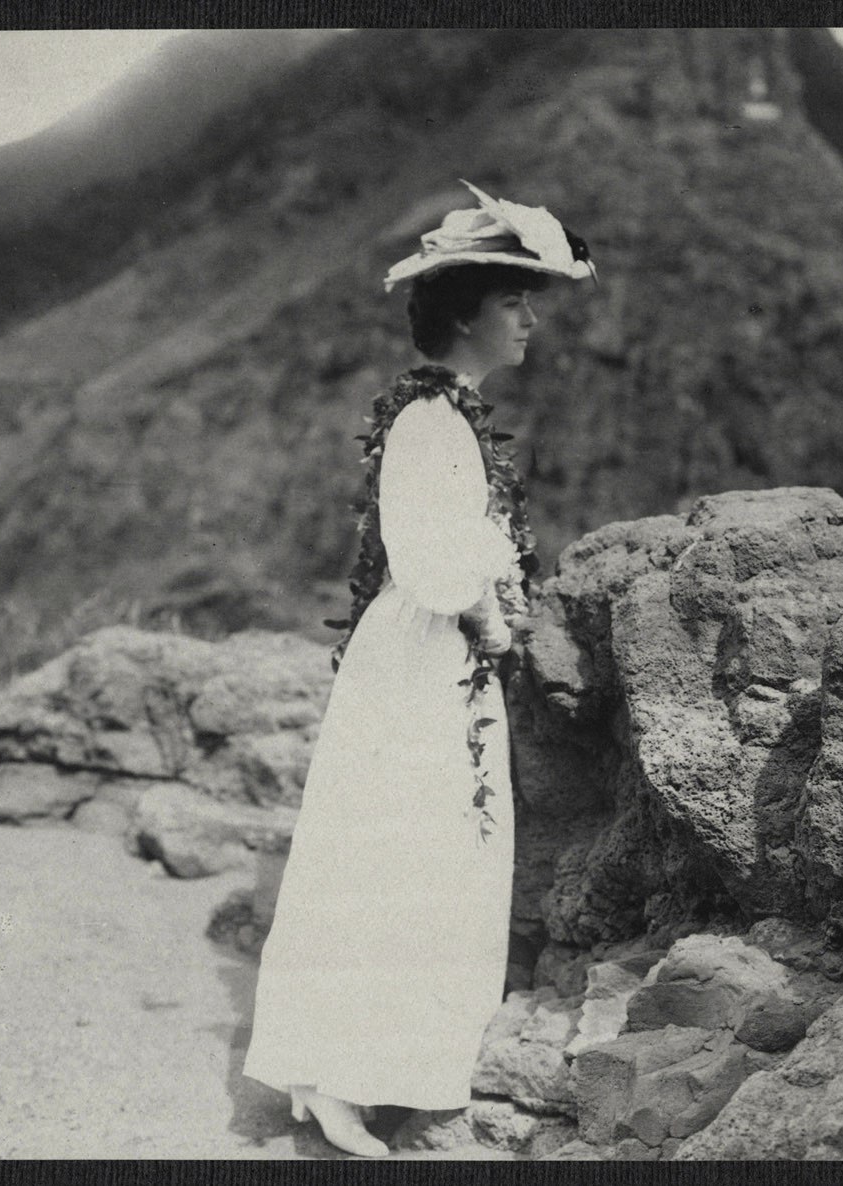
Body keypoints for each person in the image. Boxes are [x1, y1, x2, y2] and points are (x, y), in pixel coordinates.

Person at [241, 181, 596, 1158]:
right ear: (467, 312)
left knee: (432, 862)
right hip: (419, 657)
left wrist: (506, 606)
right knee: (396, 858)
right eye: (514, 300)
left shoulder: (457, 417)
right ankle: (344, 1077)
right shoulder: (426, 422)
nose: (528, 318)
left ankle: (390, 1072)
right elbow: (434, 558)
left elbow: (477, 548)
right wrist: (497, 616)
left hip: (443, 662)